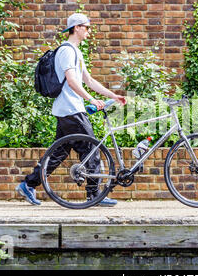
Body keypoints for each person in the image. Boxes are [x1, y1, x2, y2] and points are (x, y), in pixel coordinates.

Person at [16, 13, 127, 206]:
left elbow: (89, 81)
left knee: (58, 153)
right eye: (87, 27)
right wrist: (92, 100)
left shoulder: (76, 51)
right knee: (92, 149)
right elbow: (72, 81)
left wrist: (112, 96)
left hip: (66, 110)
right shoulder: (67, 51)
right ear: (77, 27)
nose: (89, 31)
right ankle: (94, 195)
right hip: (71, 109)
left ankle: (29, 183)